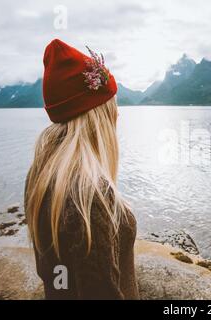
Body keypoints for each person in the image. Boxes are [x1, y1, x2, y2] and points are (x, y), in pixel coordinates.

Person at [24, 39, 138, 299]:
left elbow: (50, 271)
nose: (117, 115)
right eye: (112, 107)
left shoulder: (40, 174)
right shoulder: (91, 195)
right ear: (98, 116)